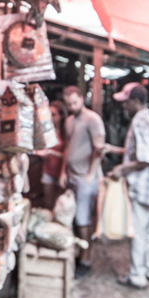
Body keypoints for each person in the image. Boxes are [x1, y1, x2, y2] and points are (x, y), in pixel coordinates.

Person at [110, 82, 149, 290]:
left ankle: (137, 275)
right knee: (148, 233)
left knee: (138, 233)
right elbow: (139, 152)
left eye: (127, 102)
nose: (124, 106)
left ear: (136, 101)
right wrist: (114, 150)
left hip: (142, 187)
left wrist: (121, 170)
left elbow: (145, 158)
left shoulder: (139, 121)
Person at [61, 86, 105, 276]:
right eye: (69, 104)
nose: (72, 106)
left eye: (75, 102)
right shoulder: (69, 121)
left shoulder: (92, 119)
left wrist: (90, 174)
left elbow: (99, 148)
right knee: (73, 219)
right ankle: (79, 253)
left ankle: (86, 260)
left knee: (83, 220)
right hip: (72, 175)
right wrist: (63, 172)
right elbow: (68, 147)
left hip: (86, 178)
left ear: (81, 99)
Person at [36, 99, 66, 209]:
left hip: (61, 171)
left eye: (53, 114)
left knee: (61, 204)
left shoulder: (65, 133)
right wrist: (42, 154)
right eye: (49, 114)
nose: (51, 118)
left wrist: (53, 152)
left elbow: (69, 155)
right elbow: (40, 148)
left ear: (61, 116)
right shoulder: (46, 131)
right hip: (48, 170)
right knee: (48, 202)